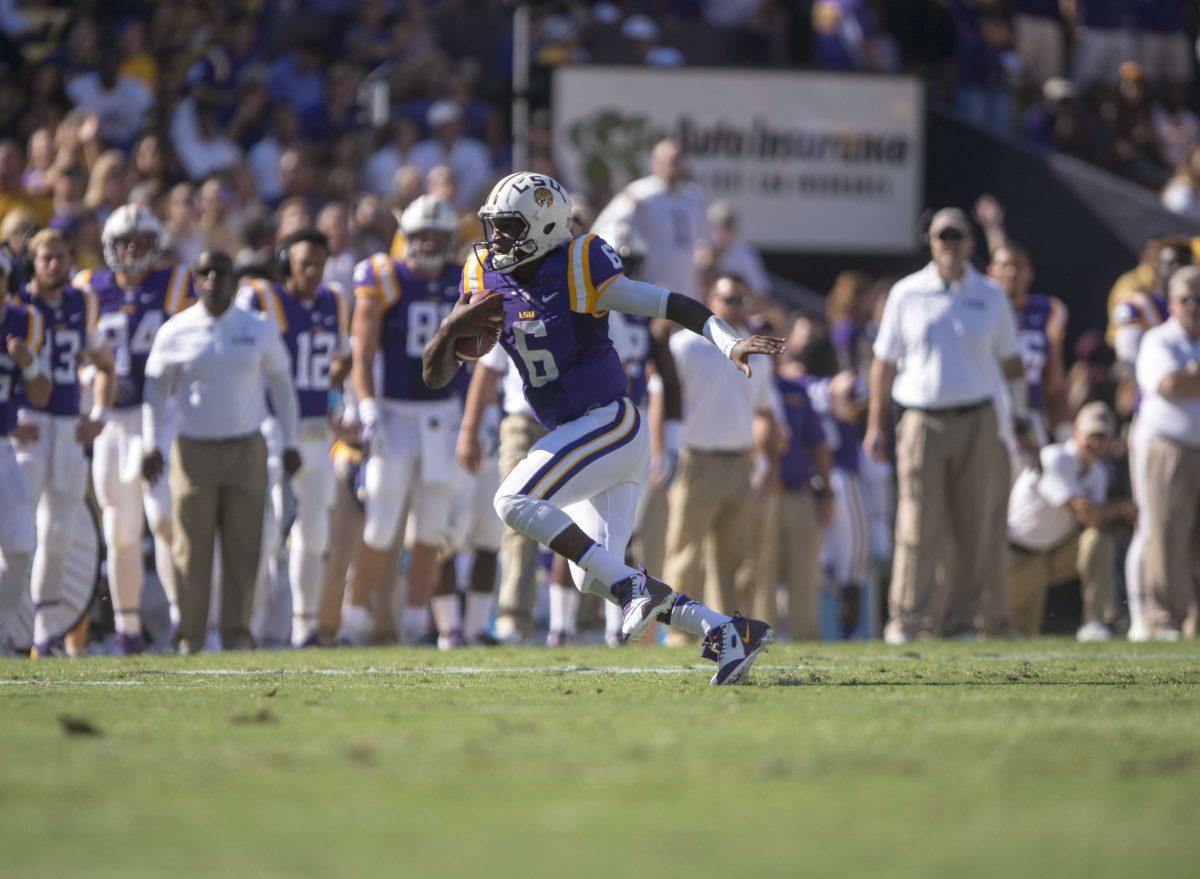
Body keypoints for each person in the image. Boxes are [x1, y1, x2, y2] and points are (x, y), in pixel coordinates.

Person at [423, 172, 784, 685]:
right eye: (493, 228)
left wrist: (728, 342)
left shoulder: (577, 264)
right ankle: (727, 632)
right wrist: (450, 329)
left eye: (508, 228)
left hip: (608, 424)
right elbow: (436, 375)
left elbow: (668, 302)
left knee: (512, 501)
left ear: (543, 227)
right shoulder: (483, 275)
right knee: (591, 575)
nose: (495, 240)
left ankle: (638, 592)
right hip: (581, 438)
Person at [864, 208, 1029, 642]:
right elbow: (882, 365)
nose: (950, 243)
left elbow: (1012, 365)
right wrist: (875, 425)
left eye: (957, 235)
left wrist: (1021, 417)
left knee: (973, 525)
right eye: (942, 235)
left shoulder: (991, 295)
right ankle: (906, 620)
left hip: (978, 418)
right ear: (931, 242)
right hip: (921, 418)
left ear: (971, 243)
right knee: (918, 522)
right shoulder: (906, 292)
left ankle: (960, 621)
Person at [142, 250, 300, 653]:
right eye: (205, 272)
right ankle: (189, 637)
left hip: (247, 445)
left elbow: (281, 384)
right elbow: (155, 390)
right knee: (190, 549)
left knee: (245, 547)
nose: (213, 279)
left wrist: (292, 440)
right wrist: (149, 443)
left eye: (221, 272)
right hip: (193, 449)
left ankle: (237, 635)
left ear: (234, 280)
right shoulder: (176, 330)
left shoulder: (257, 326)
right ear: (195, 279)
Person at [338, 195, 463, 647]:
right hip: (393, 411)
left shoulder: (463, 278)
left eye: (436, 236)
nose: (427, 244)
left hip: (443, 415)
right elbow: (362, 351)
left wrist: (476, 414)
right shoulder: (384, 275)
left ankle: (414, 623)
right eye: (420, 235)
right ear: (404, 236)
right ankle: (353, 621)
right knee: (380, 526)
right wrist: (366, 404)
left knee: (432, 530)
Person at [75, 203, 193, 653]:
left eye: (141, 244)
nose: (132, 252)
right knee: (119, 530)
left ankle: (183, 620)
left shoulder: (175, 283)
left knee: (164, 519)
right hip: (111, 418)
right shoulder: (88, 288)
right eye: (125, 244)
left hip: (160, 414)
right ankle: (127, 628)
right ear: (109, 248)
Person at [237, 229, 350, 648]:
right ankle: (250, 624)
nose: (312, 270)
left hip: (316, 428)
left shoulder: (334, 301)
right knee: (264, 528)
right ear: (285, 263)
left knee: (315, 530)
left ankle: (303, 626)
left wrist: (333, 389)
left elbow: (341, 358)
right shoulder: (261, 299)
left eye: (319, 262)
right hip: (270, 424)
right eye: (304, 262)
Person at [16, 229, 115, 657]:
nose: (55, 265)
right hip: (27, 425)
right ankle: (9, 626)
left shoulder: (81, 302)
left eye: (61, 257)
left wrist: (100, 416)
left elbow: (104, 363)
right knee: (15, 535)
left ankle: (44, 633)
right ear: (32, 263)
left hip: (67, 426)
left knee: (58, 533)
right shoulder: (17, 307)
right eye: (46, 259)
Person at [1006, 402, 1131, 640]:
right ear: (1075, 431)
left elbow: (1095, 523)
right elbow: (1087, 513)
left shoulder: (1098, 473)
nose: (1097, 443)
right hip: (1018, 556)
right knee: (1015, 635)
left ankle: (1096, 622)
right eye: (1092, 435)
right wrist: (1123, 508)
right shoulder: (1055, 457)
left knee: (1098, 539)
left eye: (1103, 437)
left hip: (1052, 554)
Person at [1135, 265, 1200, 640]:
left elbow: (1185, 380)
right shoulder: (1158, 340)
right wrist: (1187, 377)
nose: (1193, 306)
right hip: (1169, 450)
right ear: (1171, 303)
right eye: (1185, 299)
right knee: (1165, 536)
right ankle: (1163, 619)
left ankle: (1194, 621)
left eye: (1198, 299)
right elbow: (1170, 384)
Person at [0, 247, 51, 655]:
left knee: (20, 545)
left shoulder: (23, 322)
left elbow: (42, 392)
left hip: (3, 449)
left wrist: (29, 364)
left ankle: (1, 632)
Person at [773, 315, 834, 640]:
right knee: (757, 573)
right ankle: (756, 640)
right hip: (760, 495)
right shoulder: (739, 387)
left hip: (797, 492)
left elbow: (818, 445)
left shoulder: (794, 390)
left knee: (804, 574)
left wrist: (826, 492)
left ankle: (805, 641)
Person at [592, 138, 711, 299]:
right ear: (655, 163)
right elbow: (603, 228)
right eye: (671, 160)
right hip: (653, 290)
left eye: (679, 159)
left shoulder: (694, 197)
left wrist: (705, 256)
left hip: (688, 289)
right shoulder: (641, 194)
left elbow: (704, 240)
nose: (675, 165)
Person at [989, 243, 1070, 441]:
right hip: (987, 412)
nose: (1011, 272)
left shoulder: (1048, 310)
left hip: (1029, 413)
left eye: (1017, 266)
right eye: (1005, 266)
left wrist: (1062, 424)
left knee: (1031, 470)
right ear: (991, 272)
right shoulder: (980, 311)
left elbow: (1054, 379)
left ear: (1029, 272)